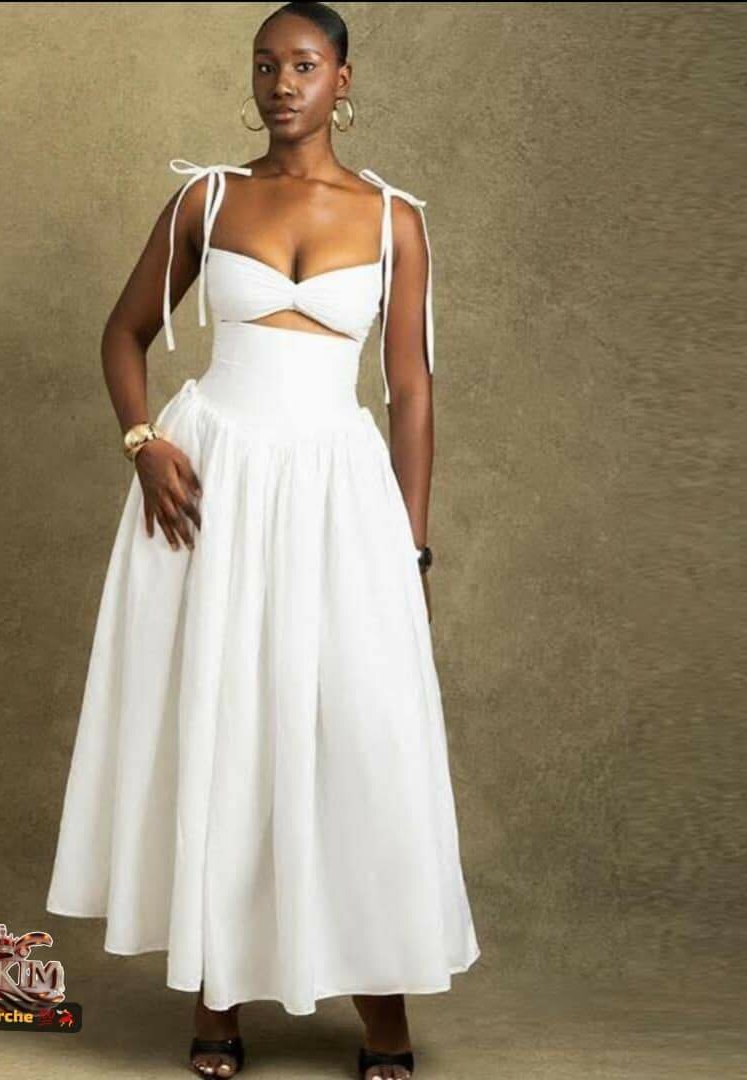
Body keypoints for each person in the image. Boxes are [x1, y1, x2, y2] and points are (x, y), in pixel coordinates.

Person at [45, 3, 480, 1078]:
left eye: (305, 65)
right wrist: (143, 442)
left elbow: (412, 393)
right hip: (212, 483)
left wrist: (413, 547)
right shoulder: (206, 198)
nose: (282, 83)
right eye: (266, 65)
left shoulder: (394, 220)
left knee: (356, 734)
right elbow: (123, 333)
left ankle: (383, 1015)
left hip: (337, 493)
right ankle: (218, 1001)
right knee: (219, 720)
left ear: (343, 80)